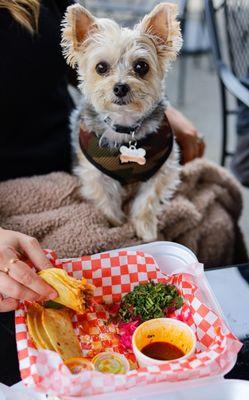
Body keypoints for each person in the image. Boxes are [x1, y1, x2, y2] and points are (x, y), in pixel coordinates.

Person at [0, 0, 204, 385]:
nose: (121, 80)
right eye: (105, 68)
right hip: (28, 189)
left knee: (208, 219)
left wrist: (166, 113)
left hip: (66, 155)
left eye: (139, 68)